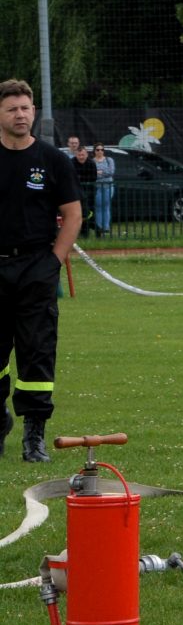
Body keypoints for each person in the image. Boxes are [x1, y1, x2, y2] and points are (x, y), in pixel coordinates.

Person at [0, 82, 79, 465]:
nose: (20, 114)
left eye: (26, 108)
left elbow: (74, 214)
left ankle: (34, 438)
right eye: (13, 108)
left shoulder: (52, 160)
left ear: (34, 112)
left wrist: (53, 260)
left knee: (37, 355)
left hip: (36, 267)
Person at [65, 139, 95, 236]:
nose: (81, 157)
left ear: (86, 154)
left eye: (83, 155)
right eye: (79, 155)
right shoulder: (71, 162)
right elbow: (70, 177)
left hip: (88, 191)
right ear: (76, 154)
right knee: (75, 212)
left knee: (87, 212)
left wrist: (80, 178)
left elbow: (93, 177)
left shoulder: (91, 163)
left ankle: (86, 231)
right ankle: (76, 231)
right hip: (75, 191)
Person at [91, 144, 115, 236]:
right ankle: (99, 228)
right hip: (97, 187)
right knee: (98, 207)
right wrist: (99, 173)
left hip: (108, 186)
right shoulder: (92, 161)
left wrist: (99, 172)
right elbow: (92, 173)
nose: (100, 151)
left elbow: (111, 172)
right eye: (97, 149)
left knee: (106, 206)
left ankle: (106, 227)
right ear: (94, 151)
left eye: (102, 149)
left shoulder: (109, 160)